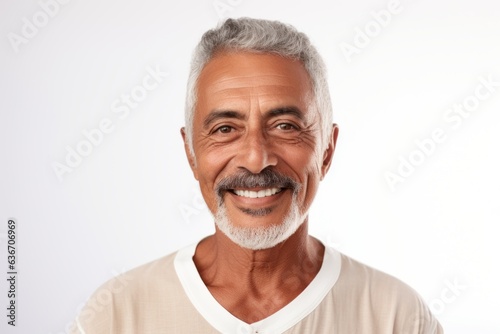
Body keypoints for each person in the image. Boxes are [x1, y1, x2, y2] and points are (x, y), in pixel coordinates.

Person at [71, 18, 443, 333]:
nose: (255, 159)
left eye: (284, 126)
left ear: (327, 151)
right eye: (224, 129)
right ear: (190, 153)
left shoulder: (397, 318)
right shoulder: (115, 316)